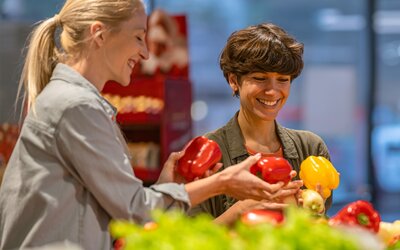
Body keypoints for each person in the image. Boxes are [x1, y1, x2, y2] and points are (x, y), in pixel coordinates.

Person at [0, 2, 288, 250]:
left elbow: (119, 207)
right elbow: (135, 211)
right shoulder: (75, 106)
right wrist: (221, 183)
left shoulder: (74, 101)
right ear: (99, 34)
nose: (146, 53)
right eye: (138, 37)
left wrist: (165, 186)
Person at [189, 23, 331, 225]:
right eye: (260, 78)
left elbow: (320, 231)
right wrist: (241, 210)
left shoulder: (311, 149)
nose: (272, 91)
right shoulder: (205, 153)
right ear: (234, 80)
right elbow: (191, 238)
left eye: (283, 80)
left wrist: (311, 215)